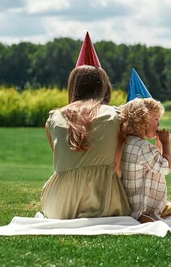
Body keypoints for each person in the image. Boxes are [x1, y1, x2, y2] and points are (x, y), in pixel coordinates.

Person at [41, 58, 131, 218]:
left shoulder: (54, 118)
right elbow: (118, 165)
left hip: (58, 205)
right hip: (104, 201)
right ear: (104, 86)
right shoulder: (116, 116)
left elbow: (61, 159)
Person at [116, 97, 171, 223]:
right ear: (143, 121)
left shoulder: (129, 143)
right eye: (156, 119)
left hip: (130, 205)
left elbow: (151, 164)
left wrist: (159, 145)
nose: (159, 124)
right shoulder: (143, 147)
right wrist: (166, 144)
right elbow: (165, 168)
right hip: (142, 210)